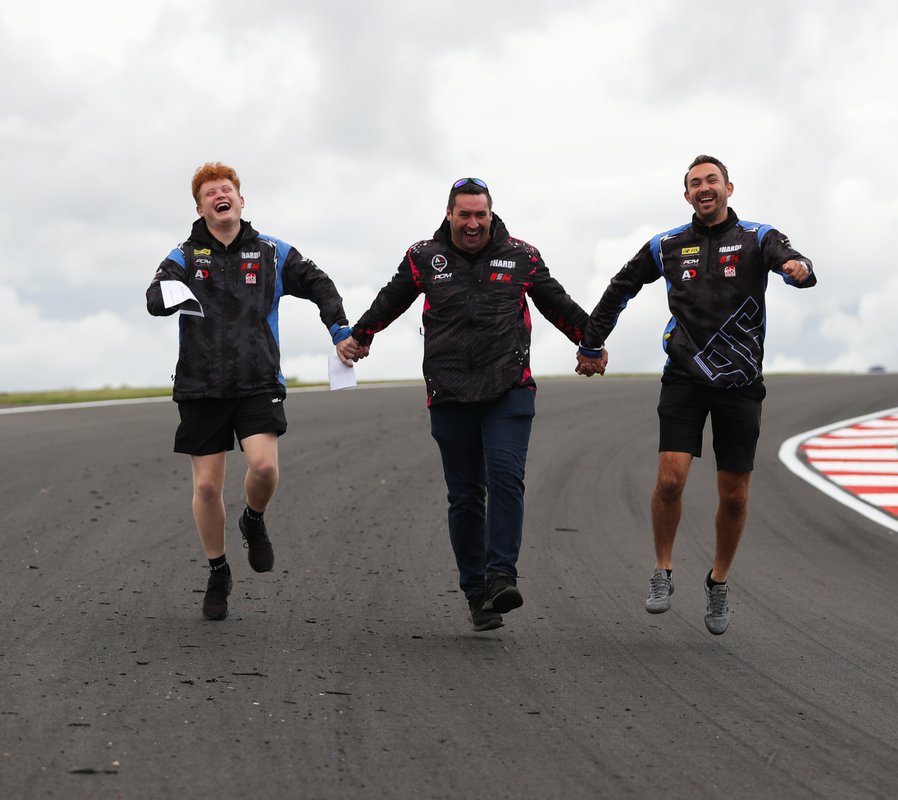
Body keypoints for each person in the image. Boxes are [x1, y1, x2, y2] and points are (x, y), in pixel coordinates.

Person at [337, 178, 600, 632]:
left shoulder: (522, 255)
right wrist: (360, 336)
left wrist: (590, 344)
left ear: (491, 214)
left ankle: (501, 577)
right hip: (450, 391)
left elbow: (559, 305)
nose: (473, 223)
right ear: (450, 215)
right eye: (465, 215)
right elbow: (390, 300)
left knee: (506, 479)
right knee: (464, 496)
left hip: (508, 387)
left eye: (481, 215)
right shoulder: (424, 257)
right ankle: (477, 593)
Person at [576, 155, 815, 635]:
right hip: (683, 378)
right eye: (694, 183)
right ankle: (662, 569)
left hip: (740, 385)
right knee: (670, 480)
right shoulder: (666, 245)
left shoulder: (758, 237)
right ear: (686, 195)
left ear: (729, 188)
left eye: (712, 180)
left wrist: (798, 269)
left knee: (735, 495)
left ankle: (718, 580)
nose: (704, 188)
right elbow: (621, 287)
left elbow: (794, 260)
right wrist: (592, 342)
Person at [147, 162, 354, 621]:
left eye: (226, 190)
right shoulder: (185, 255)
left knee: (263, 467)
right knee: (207, 486)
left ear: (241, 200)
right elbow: (154, 296)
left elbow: (319, 284)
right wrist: (168, 295)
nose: (219, 196)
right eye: (209, 193)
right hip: (201, 385)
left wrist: (340, 330)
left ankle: (253, 520)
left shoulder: (272, 252)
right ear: (200, 208)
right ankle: (218, 570)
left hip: (257, 380)